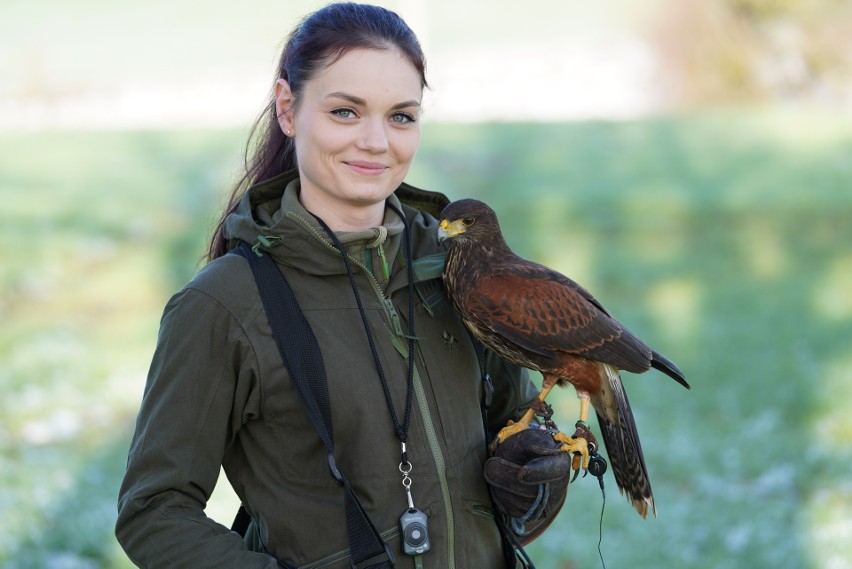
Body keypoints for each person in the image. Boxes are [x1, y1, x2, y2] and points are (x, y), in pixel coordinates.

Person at [115, 3, 573, 568]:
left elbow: (514, 437)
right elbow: (153, 511)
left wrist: (532, 479)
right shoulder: (223, 304)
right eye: (345, 112)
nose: (377, 142)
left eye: (401, 116)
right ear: (288, 108)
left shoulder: (460, 271)